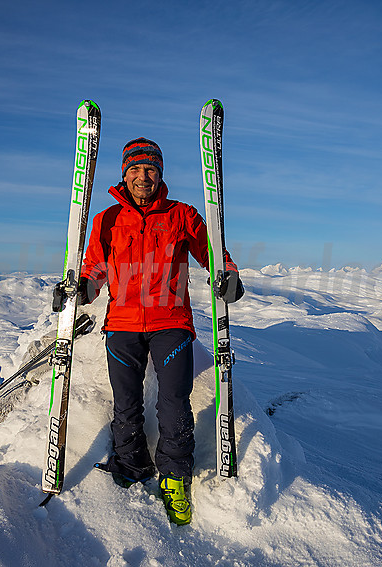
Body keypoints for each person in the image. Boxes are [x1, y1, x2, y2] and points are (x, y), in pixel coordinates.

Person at [77, 137, 244, 525]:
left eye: (150, 168)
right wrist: (82, 288)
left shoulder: (183, 215)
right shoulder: (107, 219)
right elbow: (94, 267)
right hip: (121, 324)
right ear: (124, 174)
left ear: (160, 173)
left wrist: (229, 276)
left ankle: (174, 477)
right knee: (126, 404)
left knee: (173, 404)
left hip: (171, 324)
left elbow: (213, 253)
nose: (142, 176)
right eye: (134, 169)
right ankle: (131, 464)